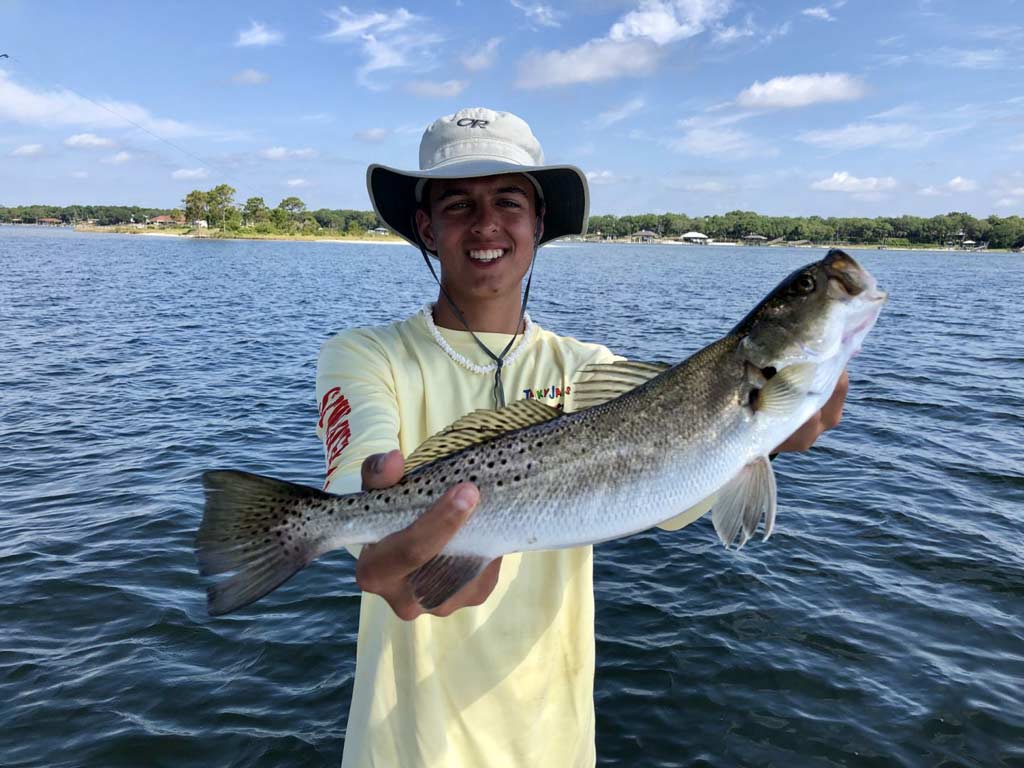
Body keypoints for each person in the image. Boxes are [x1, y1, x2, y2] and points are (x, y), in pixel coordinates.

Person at [315, 107, 848, 767]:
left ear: (538, 223)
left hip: (556, 746)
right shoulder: (364, 356)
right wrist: (385, 547)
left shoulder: (593, 370)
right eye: (458, 205)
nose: (486, 224)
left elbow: (683, 481)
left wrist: (760, 440)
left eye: (509, 201)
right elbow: (362, 482)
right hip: (402, 750)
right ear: (426, 227)